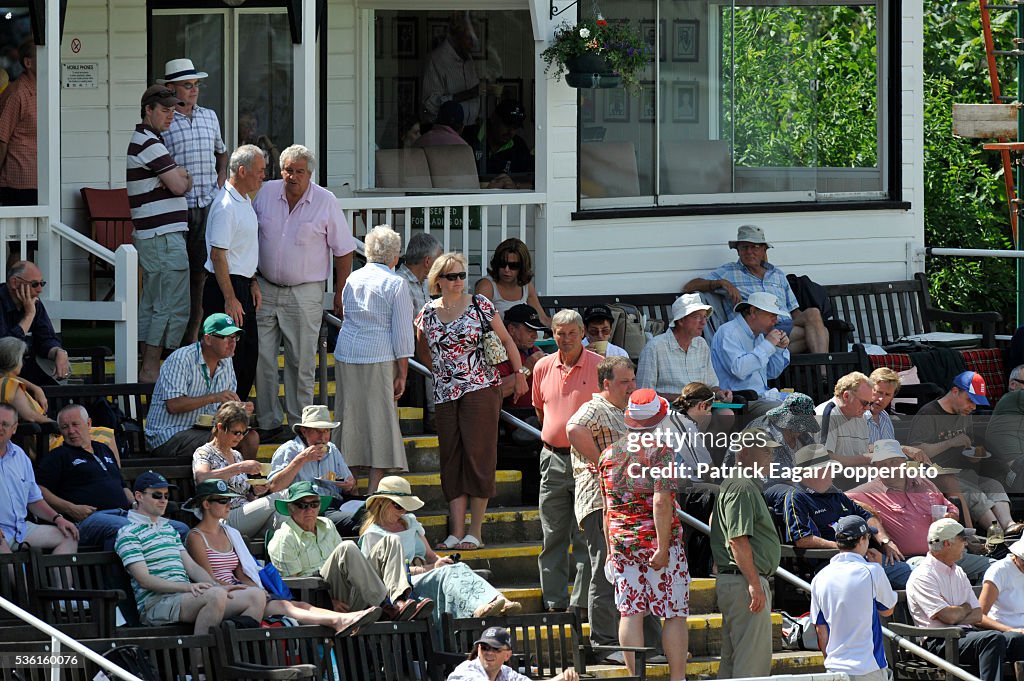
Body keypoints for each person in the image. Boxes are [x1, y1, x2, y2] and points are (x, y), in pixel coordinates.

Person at [415, 252, 524, 550]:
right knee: (451, 459)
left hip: (480, 388)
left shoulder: (480, 304)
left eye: (462, 275)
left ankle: (475, 530)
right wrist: (438, 370)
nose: (459, 281)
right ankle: (456, 530)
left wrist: (520, 373)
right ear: (438, 280)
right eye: (452, 276)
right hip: (445, 392)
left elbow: (506, 340)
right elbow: (423, 349)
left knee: (479, 457)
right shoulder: (427, 312)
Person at [182, 478, 382, 635]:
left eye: (230, 499)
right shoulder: (196, 537)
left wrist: (253, 588)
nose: (230, 504)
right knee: (290, 609)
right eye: (223, 500)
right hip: (223, 595)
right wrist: (244, 591)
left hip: (245, 592)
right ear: (206, 504)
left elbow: (241, 572)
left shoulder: (228, 532)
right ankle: (343, 618)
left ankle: (346, 619)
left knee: (298, 606)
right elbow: (207, 578)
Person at [253, 144, 356, 438]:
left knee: (301, 361)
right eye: (288, 170)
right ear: (280, 171)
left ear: (309, 174)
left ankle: (299, 424)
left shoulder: (325, 201)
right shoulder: (266, 193)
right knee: (263, 357)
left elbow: (344, 250)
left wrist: (340, 292)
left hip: (305, 291)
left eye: (299, 171)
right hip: (265, 287)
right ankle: (269, 421)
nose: (292, 177)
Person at [566, 357, 662, 664]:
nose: (631, 386)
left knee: (639, 572)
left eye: (633, 380)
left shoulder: (627, 412)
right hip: (599, 502)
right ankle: (607, 644)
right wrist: (606, 465)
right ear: (606, 383)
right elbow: (573, 428)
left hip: (629, 504)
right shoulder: (595, 408)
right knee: (606, 571)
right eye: (624, 382)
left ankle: (649, 646)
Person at [599, 389, 689, 680]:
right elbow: (661, 502)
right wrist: (662, 548)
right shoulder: (661, 452)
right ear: (660, 419)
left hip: (623, 544)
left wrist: (611, 551)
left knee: (630, 612)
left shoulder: (608, 454)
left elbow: (606, 509)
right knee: (673, 613)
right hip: (659, 544)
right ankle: (677, 678)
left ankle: (636, 678)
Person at [115, 470, 266, 633]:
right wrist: (188, 588)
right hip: (156, 605)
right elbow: (145, 580)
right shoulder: (128, 533)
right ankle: (201, 657)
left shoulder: (169, 529)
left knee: (256, 596)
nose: (163, 500)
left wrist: (215, 585)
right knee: (215, 596)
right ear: (138, 496)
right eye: (157, 495)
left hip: (184, 598)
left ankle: (233, 650)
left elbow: (192, 568)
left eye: (166, 496)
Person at [360, 476, 519, 624]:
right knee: (446, 573)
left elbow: (430, 555)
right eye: (398, 505)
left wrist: (440, 561)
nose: (403, 510)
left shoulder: (409, 522)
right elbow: (385, 576)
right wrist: (432, 568)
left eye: (405, 505)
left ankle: (499, 600)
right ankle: (475, 609)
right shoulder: (373, 535)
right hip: (404, 587)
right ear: (381, 502)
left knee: (458, 567)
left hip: (426, 574)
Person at [268, 481, 434, 621]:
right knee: (347, 547)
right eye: (302, 505)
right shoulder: (284, 538)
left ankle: (398, 601)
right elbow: (293, 588)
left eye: (314, 504)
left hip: (352, 591)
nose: (309, 509)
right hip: (320, 600)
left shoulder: (327, 525)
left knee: (391, 540)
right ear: (291, 509)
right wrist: (329, 601)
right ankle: (386, 606)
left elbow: (344, 564)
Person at [36, 404, 188, 550]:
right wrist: (71, 509)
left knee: (181, 529)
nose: (71, 431)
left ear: (88, 423)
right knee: (126, 529)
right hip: (91, 519)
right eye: (65, 427)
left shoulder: (103, 449)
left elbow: (121, 485)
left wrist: (137, 506)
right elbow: (39, 489)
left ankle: (167, 571)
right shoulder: (57, 456)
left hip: (125, 514)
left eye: (75, 424)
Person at [334, 225, 413, 494]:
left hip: (347, 353)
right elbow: (402, 333)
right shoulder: (396, 283)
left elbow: (346, 316)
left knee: (349, 419)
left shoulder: (353, 279)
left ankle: (349, 485)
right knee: (379, 421)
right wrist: (403, 373)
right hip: (378, 354)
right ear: (395, 255)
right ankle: (373, 489)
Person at [158, 58, 229, 346]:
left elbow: (221, 151)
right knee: (175, 276)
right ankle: (167, 341)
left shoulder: (209, 116)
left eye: (196, 84)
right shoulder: (164, 121)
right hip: (176, 207)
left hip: (208, 204)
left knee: (201, 275)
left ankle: (191, 339)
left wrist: (222, 174)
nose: (194, 90)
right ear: (171, 88)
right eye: (187, 85)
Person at [847, 444, 995, 583]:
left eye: (893, 462)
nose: (889, 468)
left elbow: (950, 507)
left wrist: (951, 516)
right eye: (883, 465)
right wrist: (867, 512)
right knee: (935, 577)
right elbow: (839, 498)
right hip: (915, 559)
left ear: (904, 462)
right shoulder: (867, 490)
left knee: (995, 568)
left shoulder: (923, 483)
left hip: (949, 552)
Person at [774, 440, 912, 588]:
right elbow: (803, 539)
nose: (832, 473)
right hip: (832, 564)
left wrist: (885, 542)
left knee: (915, 573)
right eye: (826, 469)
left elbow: (867, 516)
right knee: (915, 579)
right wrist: (849, 548)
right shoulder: (797, 497)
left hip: (862, 557)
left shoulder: (834, 492)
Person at [531, 308, 597, 613]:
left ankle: (581, 603)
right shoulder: (542, 367)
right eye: (560, 332)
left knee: (584, 536)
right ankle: (555, 602)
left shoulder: (600, 366)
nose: (566, 338)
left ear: (583, 333)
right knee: (552, 534)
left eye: (572, 332)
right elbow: (541, 412)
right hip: (553, 459)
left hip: (588, 462)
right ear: (552, 334)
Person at [127, 85, 191, 383]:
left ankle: (147, 367)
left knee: (155, 301)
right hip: (162, 236)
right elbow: (180, 185)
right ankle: (151, 369)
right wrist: (179, 178)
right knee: (169, 303)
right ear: (148, 110)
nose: (171, 116)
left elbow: (178, 180)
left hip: (156, 234)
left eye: (173, 110)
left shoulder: (151, 141)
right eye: (164, 110)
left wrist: (178, 177)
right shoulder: (149, 143)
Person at [683, 224, 830, 353]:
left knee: (814, 316)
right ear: (738, 251)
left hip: (785, 324)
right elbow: (689, 286)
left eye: (755, 247)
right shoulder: (729, 272)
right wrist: (721, 283)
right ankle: (825, 375)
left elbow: (794, 311)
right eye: (744, 247)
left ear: (764, 250)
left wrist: (813, 325)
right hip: (757, 331)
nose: (749, 251)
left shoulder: (777, 274)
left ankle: (822, 373)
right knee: (820, 333)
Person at [906, 518, 1024, 678]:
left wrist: (958, 613)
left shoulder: (958, 572)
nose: (966, 544)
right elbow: (948, 617)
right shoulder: (923, 576)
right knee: (991, 639)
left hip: (966, 636)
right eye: (963, 540)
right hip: (939, 641)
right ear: (947, 543)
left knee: (1017, 639)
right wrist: (965, 609)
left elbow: (976, 614)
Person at [710, 426, 782, 679]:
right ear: (744, 454)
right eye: (764, 451)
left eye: (770, 452)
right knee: (752, 665)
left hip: (738, 580)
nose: (770, 458)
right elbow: (737, 540)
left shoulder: (739, 484)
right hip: (744, 581)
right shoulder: (741, 486)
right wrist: (754, 583)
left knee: (734, 663)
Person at [908, 371, 1014, 531]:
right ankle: (996, 533)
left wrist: (973, 456)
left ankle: (1010, 526)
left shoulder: (964, 412)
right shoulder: (929, 413)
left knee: (993, 485)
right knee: (973, 493)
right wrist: (950, 442)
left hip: (963, 472)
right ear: (955, 391)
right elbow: (917, 452)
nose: (973, 407)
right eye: (970, 400)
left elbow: (965, 446)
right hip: (935, 476)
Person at [146, 313, 260, 460]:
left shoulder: (227, 361)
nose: (233, 343)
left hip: (206, 432)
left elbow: (223, 412)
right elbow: (173, 405)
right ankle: (221, 481)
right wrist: (214, 398)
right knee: (223, 438)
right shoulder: (181, 359)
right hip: (168, 436)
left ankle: (243, 482)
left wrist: (239, 409)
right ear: (208, 339)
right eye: (226, 337)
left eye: (235, 337)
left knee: (251, 437)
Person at [201, 144, 265, 400]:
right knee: (229, 356)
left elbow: (241, 250)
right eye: (259, 170)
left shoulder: (244, 200)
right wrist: (230, 298)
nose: (263, 175)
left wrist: (252, 282)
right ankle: (226, 418)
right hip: (225, 288)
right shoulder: (226, 205)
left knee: (248, 355)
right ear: (242, 170)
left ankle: (236, 417)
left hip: (241, 284)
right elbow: (218, 255)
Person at [809, 515, 898, 681]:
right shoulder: (873, 571)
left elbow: (821, 631)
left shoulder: (819, 578)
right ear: (862, 539)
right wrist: (878, 566)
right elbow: (888, 610)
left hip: (834, 668)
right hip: (868, 667)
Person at [268, 404, 362, 536]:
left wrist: (349, 484)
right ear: (304, 431)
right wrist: (301, 459)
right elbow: (274, 487)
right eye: (318, 431)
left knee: (378, 511)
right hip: (309, 508)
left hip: (337, 503)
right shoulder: (289, 450)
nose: (323, 438)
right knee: (364, 520)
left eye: (326, 431)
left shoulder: (332, 449)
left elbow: (349, 483)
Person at [192, 401, 281, 538]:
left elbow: (245, 496)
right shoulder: (204, 452)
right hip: (222, 518)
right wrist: (239, 468)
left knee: (282, 519)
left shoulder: (236, 455)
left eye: (243, 433)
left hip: (244, 515)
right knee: (281, 498)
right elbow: (202, 478)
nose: (240, 437)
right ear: (221, 428)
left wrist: (255, 492)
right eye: (236, 432)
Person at [0, 402, 77, 555]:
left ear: (14, 428)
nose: (0, 428)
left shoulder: (20, 456)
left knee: (69, 536)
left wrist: (57, 518)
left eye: (5, 424)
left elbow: (34, 500)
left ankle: (58, 580)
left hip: (21, 529)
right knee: (13, 572)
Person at [709, 291, 790, 413]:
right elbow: (739, 370)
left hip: (762, 398)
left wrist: (779, 348)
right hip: (740, 401)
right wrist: (767, 345)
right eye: (772, 315)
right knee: (785, 413)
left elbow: (772, 372)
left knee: (803, 405)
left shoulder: (760, 336)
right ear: (753, 312)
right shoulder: (728, 332)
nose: (776, 321)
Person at [637, 293, 724, 401]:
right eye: (697, 317)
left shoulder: (701, 344)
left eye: (705, 317)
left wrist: (720, 393)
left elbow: (712, 385)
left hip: (702, 408)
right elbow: (644, 393)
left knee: (726, 413)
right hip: (670, 410)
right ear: (681, 320)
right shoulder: (654, 348)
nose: (703, 322)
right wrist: (684, 399)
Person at [0, 260, 70, 384]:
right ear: (14, 283)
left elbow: (46, 338)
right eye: (34, 284)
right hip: (5, 373)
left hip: (29, 368)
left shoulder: (34, 302)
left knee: (61, 389)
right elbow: (5, 352)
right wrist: (29, 316)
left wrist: (58, 351)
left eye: (41, 283)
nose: (39, 290)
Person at [446, 626, 580, 681]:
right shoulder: (466, 671)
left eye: (496, 648)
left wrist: (562, 677)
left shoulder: (505, 672)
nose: (489, 653)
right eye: (485, 647)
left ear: (507, 655)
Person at [494, 304, 547, 439]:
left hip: (541, 416)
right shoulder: (498, 353)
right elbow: (496, 392)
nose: (535, 336)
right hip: (518, 423)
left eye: (536, 330)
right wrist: (527, 368)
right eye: (530, 330)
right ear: (511, 329)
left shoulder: (534, 350)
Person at [743, 392, 819, 485]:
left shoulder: (802, 435)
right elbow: (770, 478)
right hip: (755, 484)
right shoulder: (765, 433)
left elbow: (817, 460)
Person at [422, 12, 482, 126]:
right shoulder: (436, 59)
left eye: (476, 38)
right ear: (456, 36)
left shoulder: (468, 58)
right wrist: (469, 93)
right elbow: (429, 107)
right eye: (469, 38)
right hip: (445, 133)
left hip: (470, 130)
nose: (473, 44)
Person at [474, 238, 550, 324]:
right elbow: (481, 323)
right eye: (502, 264)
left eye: (513, 265)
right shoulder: (487, 286)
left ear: (522, 266)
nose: (506, 269)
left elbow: (542, 319)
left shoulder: (526, 285)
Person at [0, 40, 36, 207]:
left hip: (44, 180)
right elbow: (2, 140)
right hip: (18, 183)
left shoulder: (46, 90)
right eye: (42, 56)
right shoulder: (17, 94)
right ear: (28, 62)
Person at [815, 372, 875, 468]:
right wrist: (867, 459)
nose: (868, 408)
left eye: (870, 403)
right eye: (864, 403)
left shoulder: (860, 415)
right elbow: (823, 458)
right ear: (846, 396)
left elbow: (860, 451)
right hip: (836, 481)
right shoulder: (827, 414)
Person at [479, 101, 533, 185]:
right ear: (493, 118)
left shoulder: (519, 146)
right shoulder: (470, 136)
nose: (510, 132)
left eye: (515, 127)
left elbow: (529, 183)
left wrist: (514, 187)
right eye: (507, 124)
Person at [0, 336, 50, 425]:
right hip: (42, 435)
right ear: (14, 360)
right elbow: (29, 416)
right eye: (21, 358)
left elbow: (10, 377)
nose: (22, 363)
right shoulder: (11, 385)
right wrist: (59, 424)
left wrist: (35, 388)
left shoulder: (5, 380)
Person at [979, 537, 1024, 633]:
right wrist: (1011, 630)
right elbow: (979, 616)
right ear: (1015, 555)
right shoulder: (999, 571)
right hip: (1006, 634)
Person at [397, 232, 442, 321]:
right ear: (427, 261)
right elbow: (404, 326)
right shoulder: (401, 284)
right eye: (438, 261)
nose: (441, 266)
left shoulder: (424, 281)